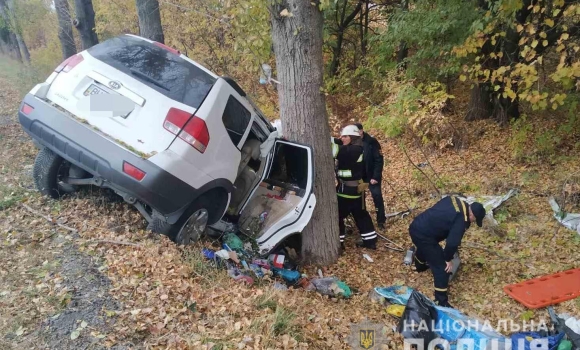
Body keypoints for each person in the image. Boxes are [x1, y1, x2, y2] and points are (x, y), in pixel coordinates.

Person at [408, 196, 486, 307]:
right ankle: (441, 301)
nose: (473, 222)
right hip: (425, 236)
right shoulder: (461, 219)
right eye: (475, 220)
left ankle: (420, 266)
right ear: (472, 215)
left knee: (426, 248)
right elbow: (452, 243)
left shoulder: (456, 200)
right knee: (442, 268)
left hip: (417, 225)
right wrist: (447, 259)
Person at [332, 125, 378, 251]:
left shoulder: (352, 151)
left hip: (347, 191)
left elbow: (334, 149)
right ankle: (370, 241)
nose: (341, 138)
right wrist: (332, 138)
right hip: (356, 190)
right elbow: (338, 144)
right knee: (361, 214)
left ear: (352, 138)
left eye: (345, 136)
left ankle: (339, 242)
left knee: (337, 215)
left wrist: (325, 139)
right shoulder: (358, 148)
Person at [354, 123, 386, 229]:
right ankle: (363, 222)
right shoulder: (353, 142)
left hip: (372, 175)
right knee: (359, 199)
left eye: (358, 131)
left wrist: (376, 177)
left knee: (377, 197)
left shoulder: (371, 142)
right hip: (360, 177)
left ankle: (381, 221)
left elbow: (379, 160)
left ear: (362, 130)